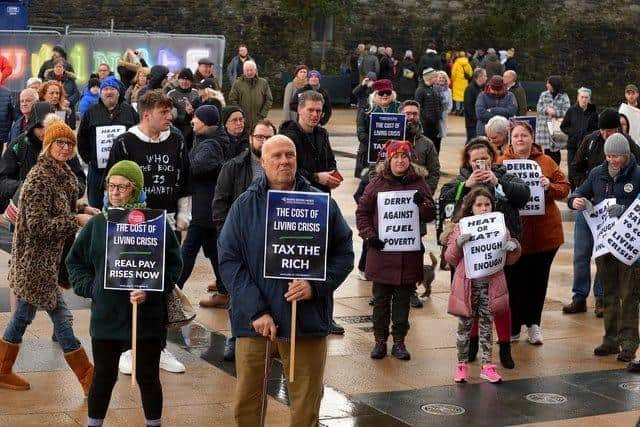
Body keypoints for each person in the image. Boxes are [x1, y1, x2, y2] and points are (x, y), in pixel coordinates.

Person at [218, 134, 353, 426]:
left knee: (306, 403)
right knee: (247, 401)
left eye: (289, 155)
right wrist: (256, 310)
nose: (284, 161)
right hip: (255, 322)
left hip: (305, 319)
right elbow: (229, 260)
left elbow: (344, 253)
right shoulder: (244, 206)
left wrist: (316, 285)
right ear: (263, 162)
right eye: (276, 156)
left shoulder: (320, 203)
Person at [67, 160, 182, 427]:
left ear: (136, 189)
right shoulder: (97, 225)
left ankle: (154, 423)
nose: (115, 191)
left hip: (146, 317)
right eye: (111, 185)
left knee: (148, 376)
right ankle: (94, 423)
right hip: (107, 315)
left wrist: (152, 290)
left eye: (123, 186)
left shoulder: (156, 224)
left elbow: (174, 264)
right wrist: (91, 287)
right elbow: (75, 263)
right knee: (103, 377)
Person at [0, 120, 96, 395]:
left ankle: (2, 369)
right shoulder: (39, 179)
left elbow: (61, 203)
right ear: (48, 145)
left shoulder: (61, 173)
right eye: (59, 143)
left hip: (49, 261)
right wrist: (75, 220)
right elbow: (39, 223)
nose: (65, 148)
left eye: (69, 143)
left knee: (22, 317)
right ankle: (87, 376)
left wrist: (84, 207)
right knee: (62, 317)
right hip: (34, 261)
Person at [106, 90, 190, 375]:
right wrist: (114, 220)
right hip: (132, 225)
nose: (170, 116)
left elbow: (184, 179)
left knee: (161, 288)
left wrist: (184, 216)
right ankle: (129, 349)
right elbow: (111, 186)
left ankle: (158, 346)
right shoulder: (125, 143)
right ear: (146, 114)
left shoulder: (177, 140)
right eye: (164, 112)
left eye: (170, 112)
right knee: (131, 286)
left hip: (165, 223)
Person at [438, 138, 530, 368]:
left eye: (485, 159)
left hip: (498, 256)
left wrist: (498, 182)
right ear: (468, 162)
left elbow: (523, 195)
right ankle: (472, 344)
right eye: (475, 160)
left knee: (500, 302)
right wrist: (466, 186)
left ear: (492, 158)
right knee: (472, 302)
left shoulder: (504, 175)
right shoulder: (460, 181)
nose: (481, 164)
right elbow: (445, 200)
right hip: (470, 259)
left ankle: (505, 348)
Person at [356, 140, 435, 360]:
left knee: (402, 302)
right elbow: (362, 212)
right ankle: (380, 341)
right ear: (389, 159)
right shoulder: (376, 183)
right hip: (382, 254)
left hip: (408, 255)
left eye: (404, 156)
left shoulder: (419, 182)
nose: (400, 160)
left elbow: (430, 214)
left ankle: (399, 342)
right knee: (380, 301)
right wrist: (370, 236)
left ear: (410, 159)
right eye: (396, 156)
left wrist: (423, 204)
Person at [568, 133, 640, 363]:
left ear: (627, 155)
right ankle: (610, 339)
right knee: (609, 294)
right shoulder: (597, 173)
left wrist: (624, 208)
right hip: (605, 245)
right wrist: (575, 200)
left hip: (629, 247)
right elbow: (580, 192)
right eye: (609, 155)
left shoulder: (637, 174)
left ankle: (629, 343)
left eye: (618, 156)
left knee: (629, 295)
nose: (613, 160)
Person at [500, 121, 570, 345]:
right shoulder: (502, 163)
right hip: (514, 237)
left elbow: (565, 188)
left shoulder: (546, 161)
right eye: (516, 136)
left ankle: (534, 325)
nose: (520, 139)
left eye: (524, 135)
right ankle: (513, 326)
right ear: (511, 139)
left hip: (544, 235)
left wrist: (549, 185)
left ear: (532, 138)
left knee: (538, 282)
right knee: (514, 283)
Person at [212, 119, 276, 361]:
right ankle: (236, 337)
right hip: (241, 240)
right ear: (251, 139)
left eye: (268, 137)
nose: (263, 141)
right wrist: (226, 235)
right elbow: (219, 204)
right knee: (239, 292)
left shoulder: (282, 165)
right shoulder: (234, 166)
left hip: (273, 240)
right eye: (259, 137)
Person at [444, 187, 521, 383]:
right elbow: (450, 258)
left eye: (487, 204)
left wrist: (513, 247)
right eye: (479, 205)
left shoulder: (499, 227)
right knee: (464, 328)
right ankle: (461, 365)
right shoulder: (461, 227)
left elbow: (510, 259)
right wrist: (458, 244)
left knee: (487, 326)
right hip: (467, 287)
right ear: (471, 208)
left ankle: (487, 366)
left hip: (491, 285)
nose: (484, 208)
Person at [0, 103, 86, 212]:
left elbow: (80, 180)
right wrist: (25, 187)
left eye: (48, 127)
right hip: (23, 209)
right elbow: (2, 180)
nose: (44, 131)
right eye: (40, 127)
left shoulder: (64, 146)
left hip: (61, 211)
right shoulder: (19, 145)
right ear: (32, 126)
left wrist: (63, 190)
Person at [176, 105, 224, 297]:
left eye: (196, 118)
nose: (192, 121)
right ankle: (225, 287)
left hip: (204, 208)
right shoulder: (203, 140)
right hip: (205, 206)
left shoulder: (211, 146)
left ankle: (174, 289)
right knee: (213, 250)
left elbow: (192, 169)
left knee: (187, 251)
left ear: (205, 122)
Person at [77, 76, 138, 209]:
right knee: (96, 207)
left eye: (112, 89)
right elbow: (82, 139)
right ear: (101, 92)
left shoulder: (129, 111)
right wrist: (91, 159)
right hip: (97, 171)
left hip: (124, 171)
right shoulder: (91, 112)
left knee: (121, 209)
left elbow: (137, 136)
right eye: (105, 89)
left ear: (118, 92)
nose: (108, 92)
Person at [356, 79, 401, 177]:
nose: (385, 95)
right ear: (375, 95)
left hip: (394, 154)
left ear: (392, 94)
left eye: (388, 92)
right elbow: (361, 132)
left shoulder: (400, 108)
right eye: (381, 93)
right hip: (370, 153)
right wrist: (375, 143)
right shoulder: (366, 109)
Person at [560, 87, 599, 189]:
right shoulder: (571, 110)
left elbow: (597, 128)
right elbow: (564, 126)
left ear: (589, 99)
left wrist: (589, 136)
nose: (584, 99)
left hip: (587, 146)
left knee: (586, 169)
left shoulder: (593, 112)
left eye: (586, 97)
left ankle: (585, 190)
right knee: (572, 170)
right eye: (582, 97)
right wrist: (573, 133)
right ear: (578, 97)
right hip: (573, 146)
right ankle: (573, 192)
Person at [228, 61, 273, 133]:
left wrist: (262, 114)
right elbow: (232, 100)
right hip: (243, 121)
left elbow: (269, 99)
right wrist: (240, 114)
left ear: (255, 70)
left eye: (251, 70)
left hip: (259, 120)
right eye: (247, 70)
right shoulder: (237, 83)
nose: (249, 72)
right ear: (243, 71)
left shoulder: (263, 83)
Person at [535, 75, 571, 165]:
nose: (547, 85)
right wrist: (546, 110)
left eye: (548, 83)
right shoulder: (544, 95)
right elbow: (539, 108)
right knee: (546, 151)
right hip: (544, 128)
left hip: (556, 127)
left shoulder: (564, 96)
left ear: (553, 85)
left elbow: (567, 111)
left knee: (555, 150)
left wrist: (556, 113)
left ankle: (555, 169)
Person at [167, 68, 199, 149]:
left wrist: (192, 112)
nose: (184, 82)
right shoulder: (172, 94)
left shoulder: (196, 93)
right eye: (182, 79)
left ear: (191, 81)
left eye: (187, 80)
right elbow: (169, 111)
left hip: (193, 127)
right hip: (177, 126)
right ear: (178, 80)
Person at [43, 58, 80, 123]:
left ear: (64, 69)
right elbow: (43, 94)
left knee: (67, 130)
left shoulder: (71, 80)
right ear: (53, 68)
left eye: (60, 67)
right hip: (52, 111)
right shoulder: (47, 80)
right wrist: (60, 101)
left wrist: (69, 101)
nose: (58, 69)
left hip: (68, 112)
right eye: (56, 67)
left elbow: (77, 94)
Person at [414, 68, 443, 152]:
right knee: (426, 147)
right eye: (435, 77)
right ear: (430, 77)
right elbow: (418, 107)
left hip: (436, 124)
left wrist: (439, 114)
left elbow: (440, 104)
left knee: (436, 147)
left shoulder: (434, 89)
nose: (437, 79)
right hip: (425, 125)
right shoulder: (420, 90)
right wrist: (426, 118)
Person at [464, 68, 487, 141]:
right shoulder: (470, 88)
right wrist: (476, 119)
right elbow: (468, 107)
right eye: (485, 76)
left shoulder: (483, 88)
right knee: (472, 143)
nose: (486, 78)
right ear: (480, 77)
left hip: (480, 122)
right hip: (472, 123)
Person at [451, 51, 473, 115]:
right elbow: (470, 73)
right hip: (464, 82)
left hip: (457, 82)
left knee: (457, 96)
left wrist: (453, 79)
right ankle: (463, 109)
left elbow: (453, 73)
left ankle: (458, 109)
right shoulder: (467, 63)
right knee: (464, 95)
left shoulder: (456, 63)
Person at [434, 71, 453, 144]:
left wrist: (445, 112)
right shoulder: (433, 88)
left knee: (440, 138)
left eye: (443, 78)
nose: (441, 79)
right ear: (436, 79)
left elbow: (450, 105)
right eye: (440, 77)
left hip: (443, 116)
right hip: (434, 116)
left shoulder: (448, 90)